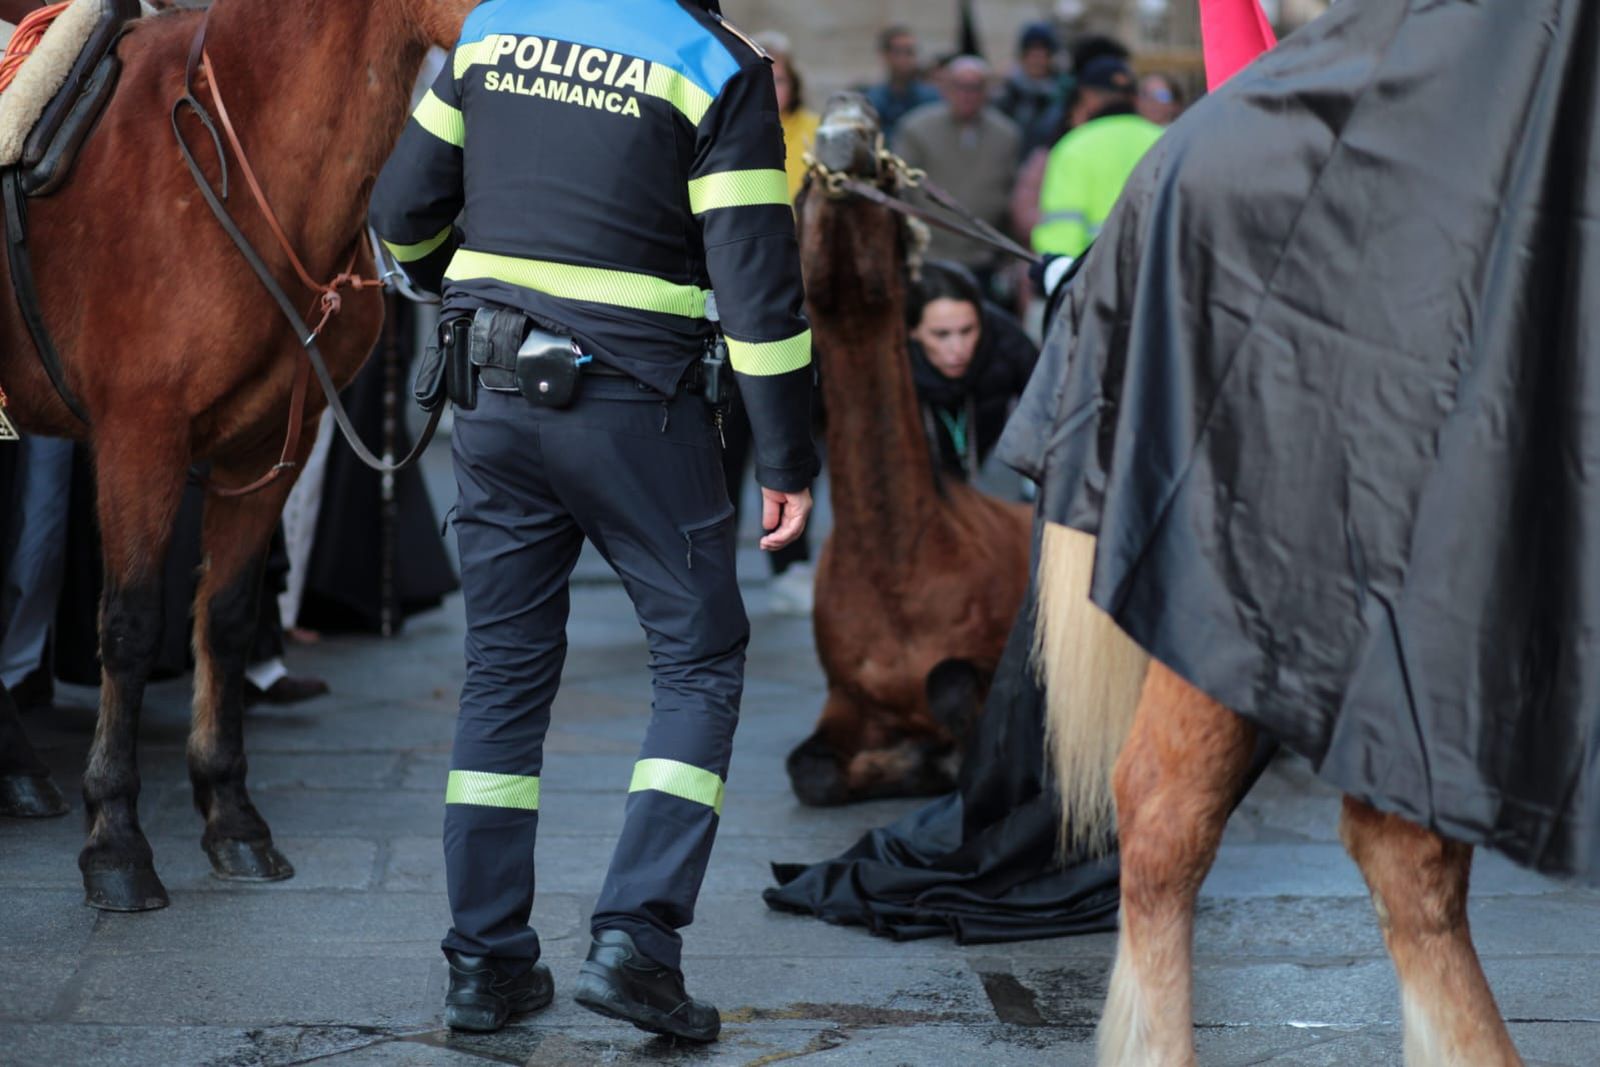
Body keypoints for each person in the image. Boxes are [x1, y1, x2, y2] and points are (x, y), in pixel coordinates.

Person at [369, 0, 818, 1044]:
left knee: (503, 669)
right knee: (700, 658)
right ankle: (635, 943)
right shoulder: (717, 64)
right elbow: (758, 287)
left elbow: (401, 214)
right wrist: (788, 456)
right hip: (636, 405)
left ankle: (484, 963)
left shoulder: (494, 29)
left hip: (488, 390)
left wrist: (475, 293)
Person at [894, 56, 1022, 303]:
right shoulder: (916, 129)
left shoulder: (1006, 135)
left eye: (975, 87)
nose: (967, 95)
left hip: (985, 259)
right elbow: (901, 189)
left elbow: (1012, 193)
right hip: (930, 256)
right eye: (960, 86)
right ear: (946, 88)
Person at [906, 263, 1038, 480]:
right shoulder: (891, 362)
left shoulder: (1007, 342)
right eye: (941, 334)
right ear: (913, 332)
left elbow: (1054, 411)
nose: (958, 349)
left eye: (967, 331)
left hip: (988, 474)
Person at [1032, 56, 1164, 259]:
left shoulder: (1074, 147)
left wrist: (1055, 270)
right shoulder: (1165, 140)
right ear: (1134, 98)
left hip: (1096, 280)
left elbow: (1061, 235)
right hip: (1158, 274)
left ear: (1087, 96)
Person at [993, 21, 1068, 157]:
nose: (1037, 61)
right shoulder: (1005, 93)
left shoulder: (1063, 94)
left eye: (1043, 55)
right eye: (1033, 55)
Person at [861, 25, 940, 140]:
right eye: (898, 52)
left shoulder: (932, 98)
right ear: (885, 56)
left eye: (910, 52)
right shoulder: (873, 100)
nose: (905, 59)